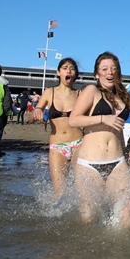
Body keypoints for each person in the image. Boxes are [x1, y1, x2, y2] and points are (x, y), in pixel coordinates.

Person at [68, 51, 130, 228]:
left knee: (127, 211)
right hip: (90, 163)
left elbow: (118, 128)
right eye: (105, 69)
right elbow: (74, 119)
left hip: (118, 161)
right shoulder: (91, 90)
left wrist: (127, 150)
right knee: (89, 218)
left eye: (114, 69)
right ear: (97, 74)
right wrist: (102, 118)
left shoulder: (122, 96)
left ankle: (119, 252)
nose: (110, 72)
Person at [32, 58, 83, 200]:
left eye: (72, 68)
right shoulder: (49, 92)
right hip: (57, 146)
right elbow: (32, 116)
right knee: (59, 193)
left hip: (79, 143)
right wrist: (37, 112)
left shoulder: (80, 94)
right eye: (65, 68)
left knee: (82, 188)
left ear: (75, 74)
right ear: (58, 72)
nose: (68, 70)